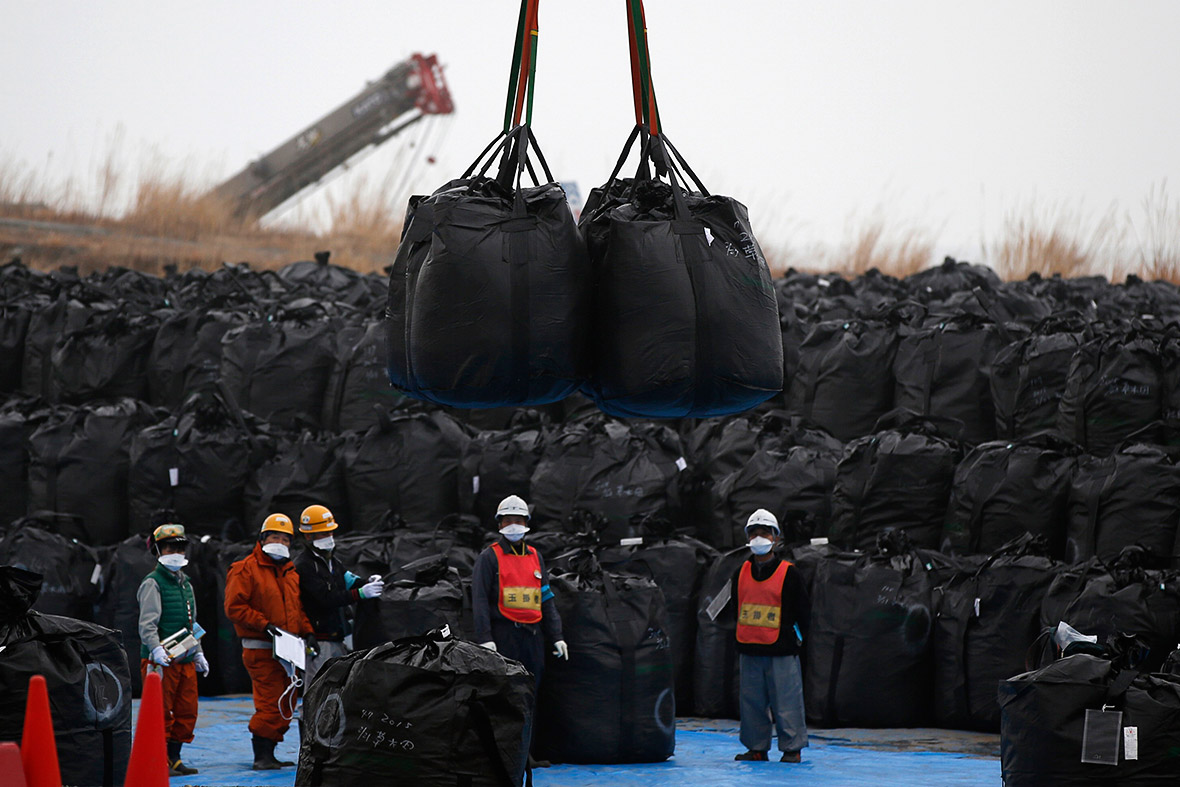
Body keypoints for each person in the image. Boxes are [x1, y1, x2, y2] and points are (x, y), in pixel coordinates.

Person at [224, 512, 317, 770]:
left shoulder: (289, 572)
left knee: (286, 702)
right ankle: (261, 755)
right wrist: (264, 625)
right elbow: (234, 607)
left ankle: (270, 752)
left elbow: (296, 609)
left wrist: (307, 631)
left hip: (287, 651)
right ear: (263, 538)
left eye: (286, 539)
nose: (281, 543)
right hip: (261, 649)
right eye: (275, 537)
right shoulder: (245, 569)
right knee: (270, 702)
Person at [732, 508, 810, 763]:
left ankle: (791, 749)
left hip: (781, 650)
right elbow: (735, 607)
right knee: (751, 704)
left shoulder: (790, 573)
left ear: (776, 538)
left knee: (787, 703)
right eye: (753, 533)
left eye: (764, 533)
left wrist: (796, 640)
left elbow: (803, 612)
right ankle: (756, 748)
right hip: (750, 648)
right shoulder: (740, 572)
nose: (758, 538)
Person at [471, 494, 569, 693]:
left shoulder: (535, 556)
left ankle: (530, 725)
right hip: (504, 635)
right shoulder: (489, 557)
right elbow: (479, 599)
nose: (513, 526)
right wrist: (485, 639)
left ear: (526, 523)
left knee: (532, 690)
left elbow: (546, 598)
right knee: (507, 694)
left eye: (518, 521)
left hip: (533, 637)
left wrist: (557, 635)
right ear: (500, 525)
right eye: (508, 521)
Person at [137, 512, 209, 777]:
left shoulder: (186, 585)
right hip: (161, 661)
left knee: (186, 711)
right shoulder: (152, 583)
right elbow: (147, 623)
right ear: (158, 550)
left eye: (180, 547)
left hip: (185, 660)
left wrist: (198, 653)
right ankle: (158, 759)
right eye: (170, 547)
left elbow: (192, 624)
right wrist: (155, 649)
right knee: (160, 712)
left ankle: (174, 758)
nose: (176, 552)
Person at [294, 504, 384, 684]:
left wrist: (367, 582)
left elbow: (347, 579)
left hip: (339, 638)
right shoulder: (304, 566)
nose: (329, 538)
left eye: (330, 533)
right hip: (319, 641)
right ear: (308, 536)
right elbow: (326, 599)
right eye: (323, 534)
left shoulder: (331, 561)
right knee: (317, 687)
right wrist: (360, 593)